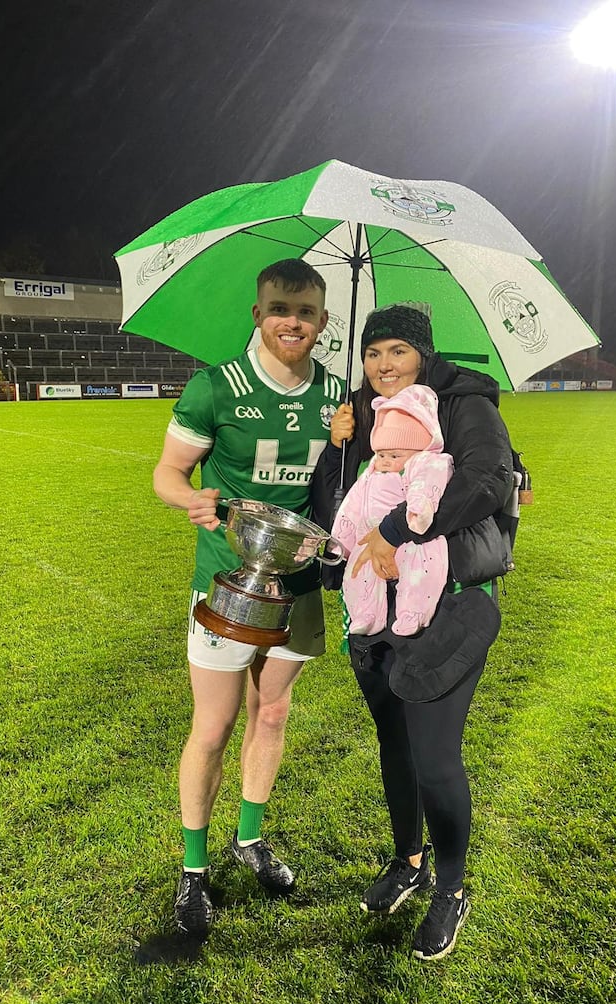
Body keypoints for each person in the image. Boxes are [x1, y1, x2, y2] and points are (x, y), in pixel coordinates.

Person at [311, 304, 515, 962]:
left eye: (396, 351)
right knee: (394, 748)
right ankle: (409, 860)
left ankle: (451, 889)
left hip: (451, 605)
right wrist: (336, 447)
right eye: (373, 354)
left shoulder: (465, 403)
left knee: (434, 758)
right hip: (375, 609)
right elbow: (334, 513)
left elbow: (487, 481)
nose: (382, 365)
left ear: (423, 354)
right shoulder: (362, 413)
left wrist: (399, 531)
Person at [153, 258, 342, 938]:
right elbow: (168, 474)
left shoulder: (340, 397)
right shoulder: (214, 388)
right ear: (258, 315)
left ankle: (250, 837)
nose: (294, 321)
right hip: (228, 582)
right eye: (281, 308)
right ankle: (194, 869)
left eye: (308, 311)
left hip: (302, 582)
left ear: (323, 321)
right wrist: (193, 499)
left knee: (274, 714)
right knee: (214, 726)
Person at [331, 383, 453, 636]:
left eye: (394, 455)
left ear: (418, 450)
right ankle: (365, 613)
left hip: (413, 535)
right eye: (382, 454)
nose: (385, 461)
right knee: (358, 570)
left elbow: (426, 484)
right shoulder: (374, 470)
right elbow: (353, 502)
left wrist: (418, 507)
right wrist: (341, 537)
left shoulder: (427, 462)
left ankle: (413, 613)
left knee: (423, 569)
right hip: (370, 536)